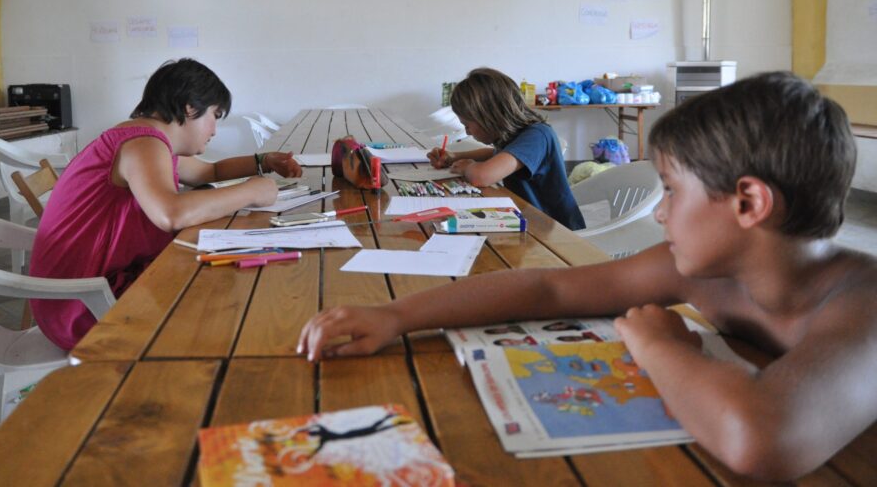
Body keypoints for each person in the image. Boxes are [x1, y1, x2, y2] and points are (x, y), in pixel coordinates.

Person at [299, 71, 877, 481]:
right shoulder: (709, 273)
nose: (657, 212)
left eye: (671, 191)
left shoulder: (863, 305)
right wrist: (395, 315)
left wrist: (659, 348)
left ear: (748, 204)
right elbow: (549, 286)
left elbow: (761, 441)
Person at [30, 58, 302, 350]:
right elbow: (170, 214)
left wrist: (262, 162)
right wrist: (251, 192)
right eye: (215, 115)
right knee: (232, 303)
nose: (214, 130)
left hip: (80, 291)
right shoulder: (143, 143)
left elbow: (209, 172)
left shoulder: (151, 141)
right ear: (189, 107)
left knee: (219, 280)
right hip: (83, 305)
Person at [427, 68, 584, 230]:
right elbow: (495, 155)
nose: (467, 132)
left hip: (555, 230)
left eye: (467, 125)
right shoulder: (516, 135)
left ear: (489, 117)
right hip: (528, 219)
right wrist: (453, 156)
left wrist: (468, 167)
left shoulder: (536, 136)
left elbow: (482, 176)